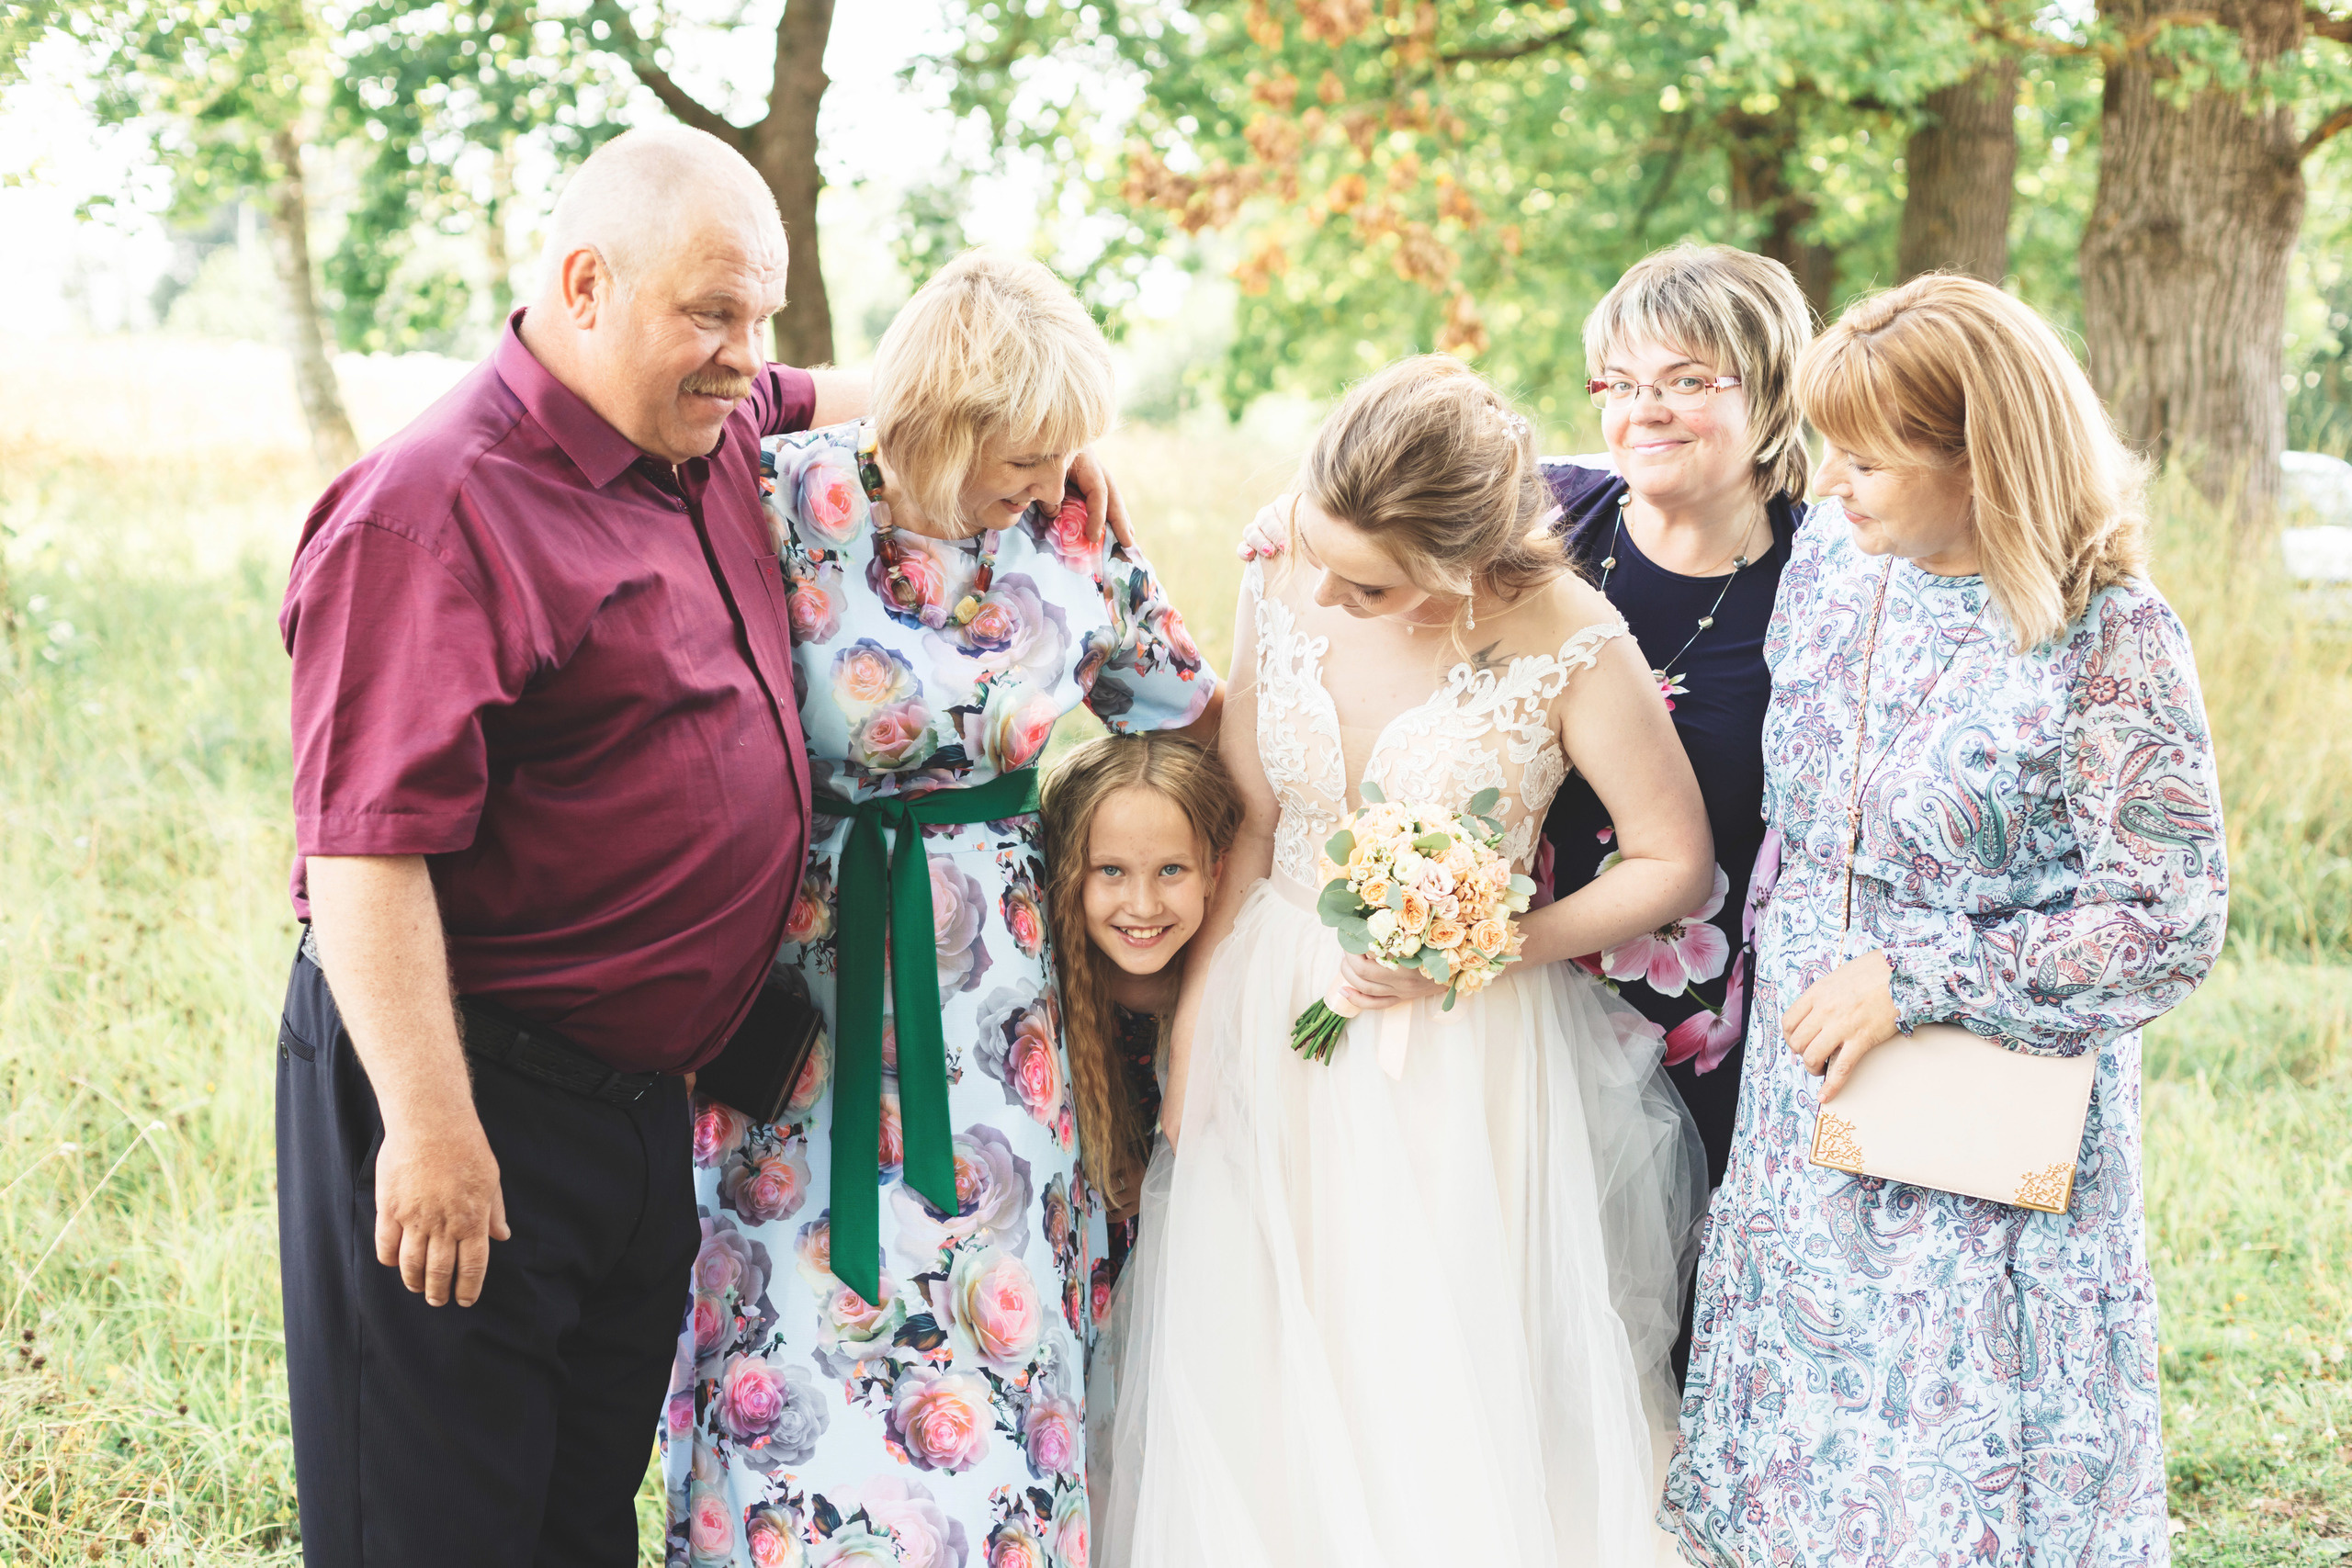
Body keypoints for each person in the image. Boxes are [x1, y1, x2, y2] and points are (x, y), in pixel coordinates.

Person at [276, 125, 854, 1567]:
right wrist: (433, 1125)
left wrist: (1043, 427)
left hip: (639, 1112)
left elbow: (857, 391)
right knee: (441, 1533)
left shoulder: (699, 432)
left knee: (579, 1523)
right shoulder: (432, 510)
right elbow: (361, 853)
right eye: (711, 312)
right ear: (585, 284)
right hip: (463, 1091)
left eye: (759, 317)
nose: (744, 353)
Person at [1098, 355, 1713, 1567]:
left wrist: (1485, 948)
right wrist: (1195, 1024)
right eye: (1318, 549)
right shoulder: (1285, 568)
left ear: (1459, 562)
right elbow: (1258, 823)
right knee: (1267, 1344)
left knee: (1435, 1357)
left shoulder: (1573, 639)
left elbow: (1669, 860)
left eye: (1364, 580)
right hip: (1274, 1006)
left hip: (1462, 1046)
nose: (1319, 584)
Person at [663, 250, 1218, 1568]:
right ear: (947, 417)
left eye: (1060, 449)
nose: (1041, 476)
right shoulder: (775, 498)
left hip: (1001, 1012)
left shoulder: (1067, 524)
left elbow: (1184, 716)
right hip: (801, 981)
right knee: (787, 1309)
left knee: (998, 1308)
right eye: (1019, 448)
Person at [1660, 275, 2228, 1562]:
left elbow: (2171, 914)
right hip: (1809, 1080)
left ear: (1983, 454)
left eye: (1869, 456)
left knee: (1956, 1466)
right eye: (1828, 448)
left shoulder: (2108, 634)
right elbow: (1629, 470)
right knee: (1809, 1457)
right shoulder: (1831, 563)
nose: (1835, 481)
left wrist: (1922, 975)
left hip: (1983, 1114)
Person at [1236, 245, 1815, 1382]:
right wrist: (1290, 516)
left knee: (1653, 1312)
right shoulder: (1554, 516)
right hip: (1493, 984)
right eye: (1618, 380)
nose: (1643, 409)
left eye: (1687, 379)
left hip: (1693, 993)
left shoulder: (1822, 578)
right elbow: (1403, 490)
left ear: (1770, 388)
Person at [1035, 731, 1241, 1280]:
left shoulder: (1242, 984)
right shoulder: (1041, 982)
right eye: (1111, 871)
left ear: (1217, 871)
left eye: (1171, 870)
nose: (1143, 906)